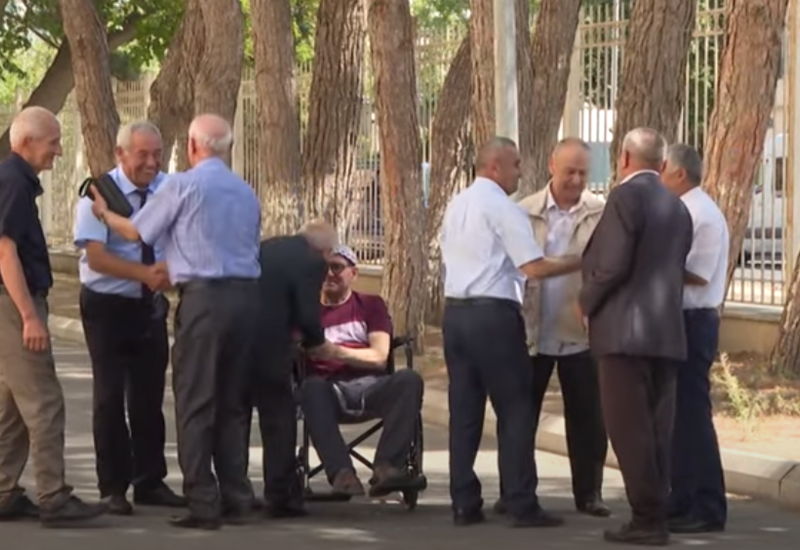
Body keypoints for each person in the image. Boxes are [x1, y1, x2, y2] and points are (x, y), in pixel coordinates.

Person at [88, 113, 261, 530]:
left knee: (196, 399)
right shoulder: (245, 191)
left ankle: (203, 501)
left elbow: (136, 233)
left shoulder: (182, 185)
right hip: (247, 300)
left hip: (205, 300)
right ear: (227, 148)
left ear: (192, 145)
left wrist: (105, 213)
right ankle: (237, 495)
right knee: (233, 401)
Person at [440, 136, 581, 528]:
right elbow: (533, 267)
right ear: (494, 167)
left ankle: (463, 501)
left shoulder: (457, 204)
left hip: (456, 314)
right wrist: (580, 261)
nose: (520, 171)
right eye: (515, 164)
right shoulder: (504, 209)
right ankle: (521, 502)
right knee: (515, 408)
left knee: (464, 410)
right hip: (494, 316)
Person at [578, 128, 693, 545]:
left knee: (629, 430)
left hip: (624, 334)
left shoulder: (625, 198)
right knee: (657, 429)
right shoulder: (678, 207)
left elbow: (613, 263)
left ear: (624, 158)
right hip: (666, 333)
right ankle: (655, 513)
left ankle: (646, 518)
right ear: (662, 164)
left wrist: (586, 301)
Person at [0, 106, 107, 526]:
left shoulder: (15, 181)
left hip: (10, 305)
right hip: (14, 305)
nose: (59, 151)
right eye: (54, 142)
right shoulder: (13, 181)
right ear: (27, 142)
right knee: (44, 402)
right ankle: (54, 496)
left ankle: (4, 491)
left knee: (13, 405)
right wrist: (29, 315)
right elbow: (5, 251)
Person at [73, 121, 185, 515]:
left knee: (148, 397)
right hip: (107, 305)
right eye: (143, 155)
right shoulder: (98, 194)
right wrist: (146, 274)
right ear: (120, 154)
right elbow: (97, 258)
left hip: (149, 305)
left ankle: (150, 481)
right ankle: (113, 487)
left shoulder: (169, 189)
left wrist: (169, 272)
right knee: (109, 398)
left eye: (157, 154)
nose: (152, 163)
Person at [511, 138, 609, 517]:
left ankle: (590, 494)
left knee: (588, 419)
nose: (576, 180)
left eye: (583, 172)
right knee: (521, 417)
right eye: (570, 171)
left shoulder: (601, 214)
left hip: (581, 332)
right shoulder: (524, 212)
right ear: (552, 166)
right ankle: (517, 492)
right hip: (531, 331)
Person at [299, 245, 424, 498]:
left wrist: (333, 352)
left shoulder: (369, 305)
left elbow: (379, 357)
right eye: (324, 268)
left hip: (371, 386)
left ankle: (387, 467)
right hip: (326, 390)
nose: (329, 274)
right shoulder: (306, 311)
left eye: (337, 267)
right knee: (309, 388)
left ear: (353, 273)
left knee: (409, 379)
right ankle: (342, 475)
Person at [246, 219, 340, 518]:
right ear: (325, 251)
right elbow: (307, 312)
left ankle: (234, 491)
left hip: (235, 335)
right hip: (270, 344)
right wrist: (315, 342)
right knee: (278, 418)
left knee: (235, 415)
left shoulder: (265, 247)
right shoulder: (312, 261)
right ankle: (280, 494)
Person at [661, 143, 728, 534]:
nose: (659, 177)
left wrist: (653, 264)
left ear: (679, 174)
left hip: (695, 320)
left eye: (663, 169)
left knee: (693, 414)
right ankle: (681, 498)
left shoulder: (701, 213)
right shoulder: (683, 209)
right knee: (678, 416)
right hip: (679, 319)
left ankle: (708, 504)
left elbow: (698, 274)